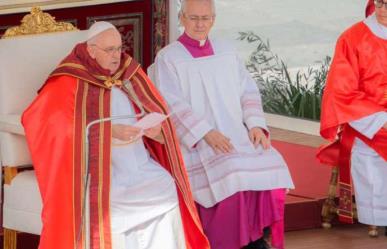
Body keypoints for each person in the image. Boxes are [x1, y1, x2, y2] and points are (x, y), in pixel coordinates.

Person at [22, 21, 210, 249]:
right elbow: (42, 121)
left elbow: (157, 114)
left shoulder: (128, 74)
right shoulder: (68, 80)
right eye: (109, 50)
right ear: (91, 50)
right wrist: (109, 132)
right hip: (101, 170)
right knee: (114, 202)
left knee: (165, 185)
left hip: (139, 163)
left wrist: (155, 132)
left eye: (120, 49)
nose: (116, 56)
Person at [153, 1, 294, 248]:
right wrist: (205, 132)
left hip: (235, 131)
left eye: (205, 18)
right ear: (182, 18)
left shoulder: (227, 50)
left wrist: (256, 125)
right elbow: (171, 103)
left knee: (272, 162)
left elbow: (247, 91)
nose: (200, 24)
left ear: (214, 20)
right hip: (197, 140)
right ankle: (231, 241)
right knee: (233, 170)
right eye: (194, 18)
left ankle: (256, 235)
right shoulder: (169, 57)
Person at [318, 0, 387, 234]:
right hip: (367, 120)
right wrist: (381, 120)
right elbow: (341, 91)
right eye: (380, 3)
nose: (383, 10)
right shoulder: (353, 38)